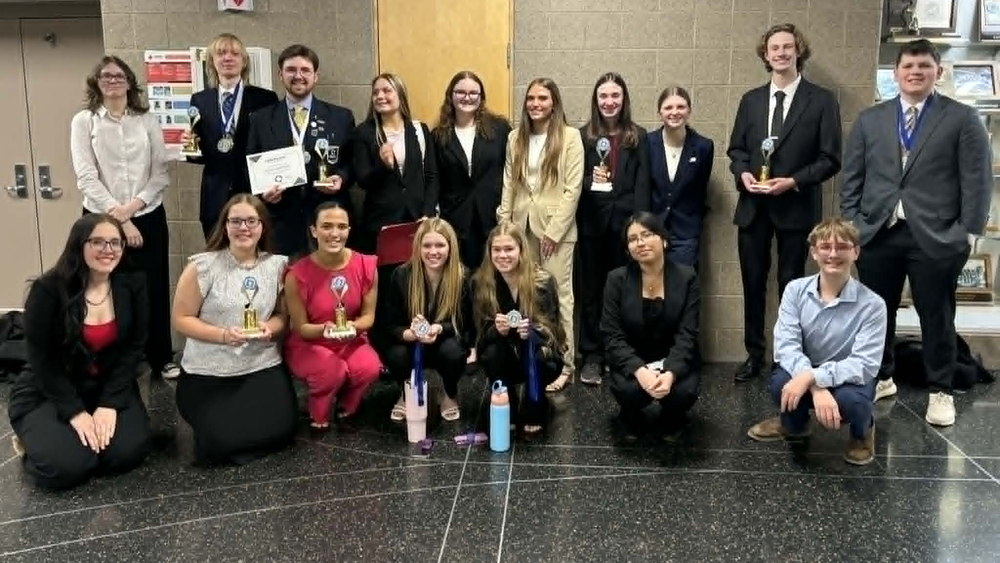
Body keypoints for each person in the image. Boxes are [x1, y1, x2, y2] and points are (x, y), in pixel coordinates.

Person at [840, 39, 992, 427]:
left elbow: (977, 180)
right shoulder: (870, 119)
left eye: (924, 65)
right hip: (879, 233)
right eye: (908, 66)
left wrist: (967, 233)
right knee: (876, 312)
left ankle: (941, 390)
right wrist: (853, 224)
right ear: (895, 73)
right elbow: (852, 177)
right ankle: (882, 376)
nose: (915, 72)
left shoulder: (962, 118)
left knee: (936, 315)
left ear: (938, 72)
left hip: (937, 236)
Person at [727, 23, 842, 383]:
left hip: (796, 207)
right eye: (774, 48)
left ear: (798, 51)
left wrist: (793, 181)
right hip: (753, 208)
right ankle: (754, 354)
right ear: (765, 55)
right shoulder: (751, 100)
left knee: (792, 287)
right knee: (753, 283)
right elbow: (736, 150)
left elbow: (830, 158)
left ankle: (786, 357)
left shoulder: (821, 100)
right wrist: (743, 174)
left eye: (787, 47)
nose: (781, 53)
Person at [7, 214, 152, 489]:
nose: (108, 250)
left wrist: (109, 404)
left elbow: (134, 348)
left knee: (125, 454)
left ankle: (74, 442)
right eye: (98, 242)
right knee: (66, 468)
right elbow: (43, 360)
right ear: (78, 245)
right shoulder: (48, 290)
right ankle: (31, 443)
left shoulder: (133, 285)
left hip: (105, 387)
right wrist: (75, 412)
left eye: (115, 242)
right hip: (51, 390)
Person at [747, 218, 887, 466]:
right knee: (780, 385)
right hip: (806, 369)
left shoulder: (873, 305)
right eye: (825, 247)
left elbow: (864, 364)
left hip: (847, 379)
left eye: (842, 247)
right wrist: (815, 387)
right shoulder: (794, 290)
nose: (833, 254)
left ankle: (862, 432)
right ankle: (794, 425)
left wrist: (812, 378)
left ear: (856, 252)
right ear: (814, 252)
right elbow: (786, 346)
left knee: (853, 403)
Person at [70, 55, 175, 379]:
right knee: (105, 288)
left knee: (153, 288)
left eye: (119, 76)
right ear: (96, 82)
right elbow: (86, 177)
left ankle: (160, 357)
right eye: (106, 76)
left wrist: (132, 209)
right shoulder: (84, 121)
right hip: (100, 219)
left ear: (129, 82)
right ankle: (113, 361)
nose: (113, 81)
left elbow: (160, 173)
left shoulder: (147, 121)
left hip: (148, 215)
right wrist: (122, 220)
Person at [171, 194, 296, 465]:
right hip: (209, 372)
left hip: (260, 365)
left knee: (282, 430)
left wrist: (269, 328)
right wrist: (224, 336)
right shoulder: (202, 266)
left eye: (251, 221)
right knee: (221, 442)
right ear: (225, 226)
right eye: (236, 221)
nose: (244, 228)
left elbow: (282, 317)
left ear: (263, 226)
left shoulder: (278, 266)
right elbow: (181, 319)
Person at [498, 77, 583, 392]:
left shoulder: (570, 137)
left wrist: (555, 231)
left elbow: (573, 189)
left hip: (555, 231)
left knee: (560, 297)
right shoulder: (515, 137)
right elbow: (509, 183)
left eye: (543, 98)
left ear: (554, 102)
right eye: (531, 98)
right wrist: (504, 227)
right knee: (527, 294)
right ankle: (532, 356)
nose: (536, 104)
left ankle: (566, 364)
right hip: (521, 229)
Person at [246, 44, 356, 257]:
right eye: (291, 70)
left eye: (305, 70)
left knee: (330, 277)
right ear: (280, 74)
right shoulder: (260, 119)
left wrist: (341, 179)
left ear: (316, 76)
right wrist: (263, 194)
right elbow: (249, 167)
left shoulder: (341, 117)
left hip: (328, 219)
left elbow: (352, 163)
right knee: (285, 278)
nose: (298, 76)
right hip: (280, 221)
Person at [575, 72, 650, 387]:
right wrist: (592, 181)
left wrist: (639, 227)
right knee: (591, 291)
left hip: (626, 227)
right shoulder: (582, 136)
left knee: (625, 291)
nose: (609, 102)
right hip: (592, 224)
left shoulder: (639, 136)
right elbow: (575, 181)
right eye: (603, 96)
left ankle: (621, 355)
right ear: (596, 101)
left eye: (615, 95)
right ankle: (592, 355)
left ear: (624, 99)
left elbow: (644, 183)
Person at [601, 213, 700, 440]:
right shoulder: (616, 280)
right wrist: (640, 370)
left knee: (682, 393)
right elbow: (612, 336)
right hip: (635, 358)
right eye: (633, 239)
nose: (640, 243)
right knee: (630, 391)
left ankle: (674, 416)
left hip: (672, 356)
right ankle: (630, 414)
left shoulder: (687, 277)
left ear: (663, 240)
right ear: (628, 250)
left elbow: (688, 334)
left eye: (647, 235)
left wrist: (671, 372)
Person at [284, 202, 382, 429]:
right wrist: (325, 330)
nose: (335, 233)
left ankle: (348, 404)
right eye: (327, 226)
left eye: (341, 226)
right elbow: (300, 327)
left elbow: (368, 317)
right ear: (314, 231)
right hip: (310, 342)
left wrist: (351, 328)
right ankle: (319, 406)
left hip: (349, 338)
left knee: (369, 367)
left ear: (349, 230)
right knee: (331, 371)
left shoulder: (366, 265)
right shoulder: (296, 275)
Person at [472, 222, 566, 435]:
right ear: (489, 252)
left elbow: (555, 333)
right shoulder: (481, 283)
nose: (502, 255)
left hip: (537, 354)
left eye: (509, 249)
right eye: (497, 250)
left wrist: (533, 332)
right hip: (502, 353)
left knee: (537, 355)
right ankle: (507, 400)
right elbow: (479, 336)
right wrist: (496, 330)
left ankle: (535, 402)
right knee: (493, 351)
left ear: (521, 250)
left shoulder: (542, 281)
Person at [183, 33, 279, 238]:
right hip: (214, 194)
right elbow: (200, 155)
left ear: (244, 62)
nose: (227, 58)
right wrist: (191, 147)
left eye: (235, 54)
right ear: (212, 61)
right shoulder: (200, 100)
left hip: (253, 191)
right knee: (216, 250)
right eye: (221, 53)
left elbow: (273, 147)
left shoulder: (265, 99)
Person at [383, 218, 472, 422]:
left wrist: (439, 328)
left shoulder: (463, 277)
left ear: (450, 247)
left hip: (443, 340)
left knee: (453, 353)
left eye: (440, 245)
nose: (433, 251)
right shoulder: (401, 275)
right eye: (427, 245)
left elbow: (465, 323)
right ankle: (407, 392)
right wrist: (409, 334)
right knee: (396, 355)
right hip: (411, 341)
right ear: (418, 247)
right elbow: (390, 324)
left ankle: (449, 392)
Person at [432, 70, 512, 270]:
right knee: (461, 277)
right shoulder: (439, 135)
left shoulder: (500, 129)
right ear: (451, 95)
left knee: (493, 275)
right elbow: (436, 179)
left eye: (473, 93)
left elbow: (511, 170)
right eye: (460, 92)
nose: (467, 97)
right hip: (456, 218)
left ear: (481, 97)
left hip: (492, 215)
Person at [353, 73, 440, 254]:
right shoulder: (364, 132)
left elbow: (432, 176)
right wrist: (383, 165)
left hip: (417, 220)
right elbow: (362, 181)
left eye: (387, 91)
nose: (380, 96)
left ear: (400, 95)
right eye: (375, 92)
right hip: (381, 222)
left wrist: (427, 213)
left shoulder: (419, 130)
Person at [647, 86, 714, 269]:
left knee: (681, 283)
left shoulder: (703, 147)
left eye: (681, 107)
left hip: (685, 233)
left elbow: (700, 188)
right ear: (660, 113)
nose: (674, 112)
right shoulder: (647, 143)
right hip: (652, 230)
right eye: (668, 107)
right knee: (651, 283)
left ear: (689, 111)